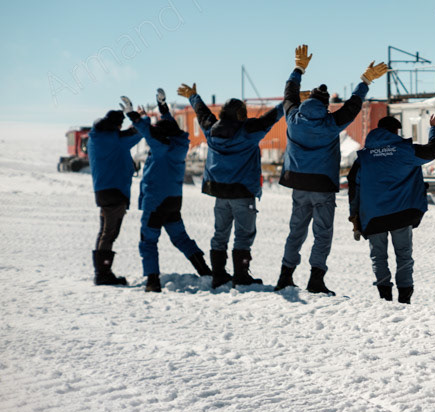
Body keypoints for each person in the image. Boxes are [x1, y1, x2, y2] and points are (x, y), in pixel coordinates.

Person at [274, 45, 388, 294]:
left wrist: (298, 69)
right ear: (326, 106)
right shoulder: (331, 123)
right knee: (322, 234)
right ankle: (316, 279)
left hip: (298, 184)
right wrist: (365, 80)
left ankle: (285, 275)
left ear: (307, 102)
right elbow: (354, 106)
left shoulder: (292, 118)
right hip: (323, 185)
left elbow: (289, 94)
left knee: (296, 232)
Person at [177, 83, 283, 288]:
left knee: (220, 234)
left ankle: (218, 275)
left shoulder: (211, 130)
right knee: (244, 235)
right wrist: (289, 103)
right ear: (240, 115)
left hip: (220, 192)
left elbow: (202, 114)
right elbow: (271, 118)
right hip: (242, 193)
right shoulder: (248, 133)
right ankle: (241, 275)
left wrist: (193, 96)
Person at [347, 109, 435, 304]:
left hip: (373, 216)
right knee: (404, 256)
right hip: (401, 213)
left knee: (378, 257)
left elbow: (353, 187)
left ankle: (384, 297)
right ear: (395, 132)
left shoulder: (363, 158)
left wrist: (354, 216)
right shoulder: (406, 150)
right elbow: (433, 150)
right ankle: (405, 298)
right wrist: (434, 129)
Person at [121, 90, 211, 293]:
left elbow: (146, 130)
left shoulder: (159, 146)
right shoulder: (179, 144)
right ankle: (205, 270)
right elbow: (168, 125)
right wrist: (162, 107)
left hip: (155, 201)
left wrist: (132, 114)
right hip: (173, 200)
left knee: (148, 240)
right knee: (181, 238)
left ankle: (153, 281)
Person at [88, 102, 142, 285]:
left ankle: (101, 272)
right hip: (116, 191)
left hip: (101, 190)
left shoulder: (95, 137)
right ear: (116, 126)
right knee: (110, 233)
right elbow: (139, 134)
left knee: (104, 231)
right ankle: (103, 274)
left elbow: (122, 136)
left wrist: (127, 128)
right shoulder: (116, 140)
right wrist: (139, 118)